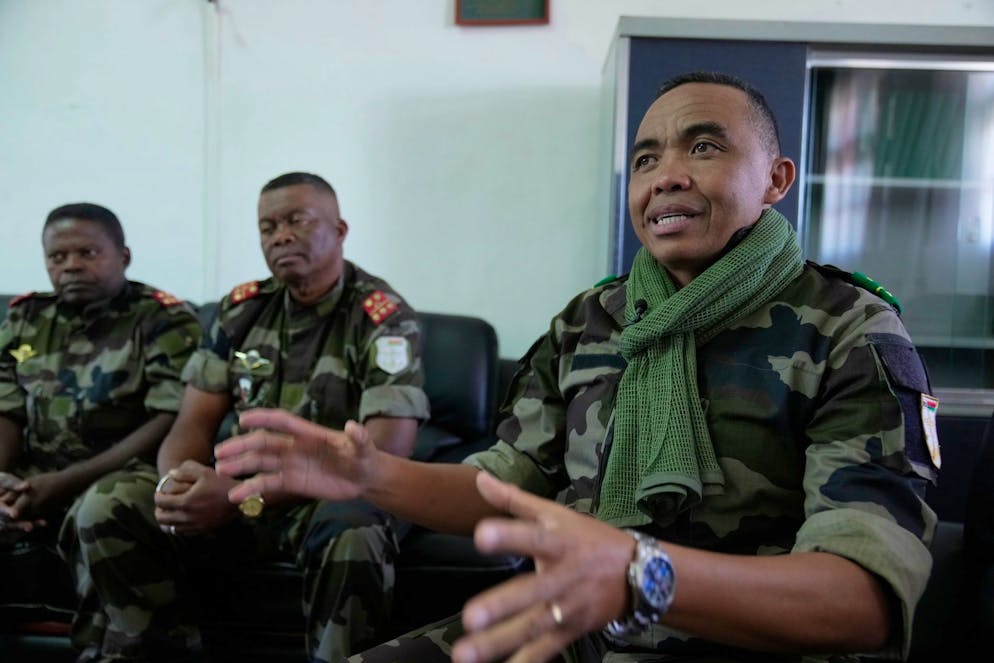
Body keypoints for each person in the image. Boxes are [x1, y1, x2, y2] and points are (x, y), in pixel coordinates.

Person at [214, 73, 939, 663]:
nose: (667, 177)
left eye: (706, 146)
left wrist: (638, 573)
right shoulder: (590, 320)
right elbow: (501, 487)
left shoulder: (849, 327)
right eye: (647, 158)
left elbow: (862, 600)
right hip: (576, 633)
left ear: (776, 177)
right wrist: (371, 476)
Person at [60, 173, 430, 663]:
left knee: (355, 528)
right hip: (234, 494)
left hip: (320, 498)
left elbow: (381, 454)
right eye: (267, 227)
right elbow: (192, 423)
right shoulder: (240, 311)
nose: (280, 236)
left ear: (340, 231)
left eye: (297, 220)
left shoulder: (383, 319)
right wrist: (178, 484)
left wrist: (241, 498)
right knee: (106, 503)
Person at [0, 202, 200, 542]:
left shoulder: (162, 319)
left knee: (101, 507)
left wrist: (67, 483)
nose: (72, 266)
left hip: (127, 470)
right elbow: (6, 409)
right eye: (57, 257)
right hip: (35, 473)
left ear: (123, 257)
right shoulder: (25, 319)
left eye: (88, 253)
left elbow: (171, 418)